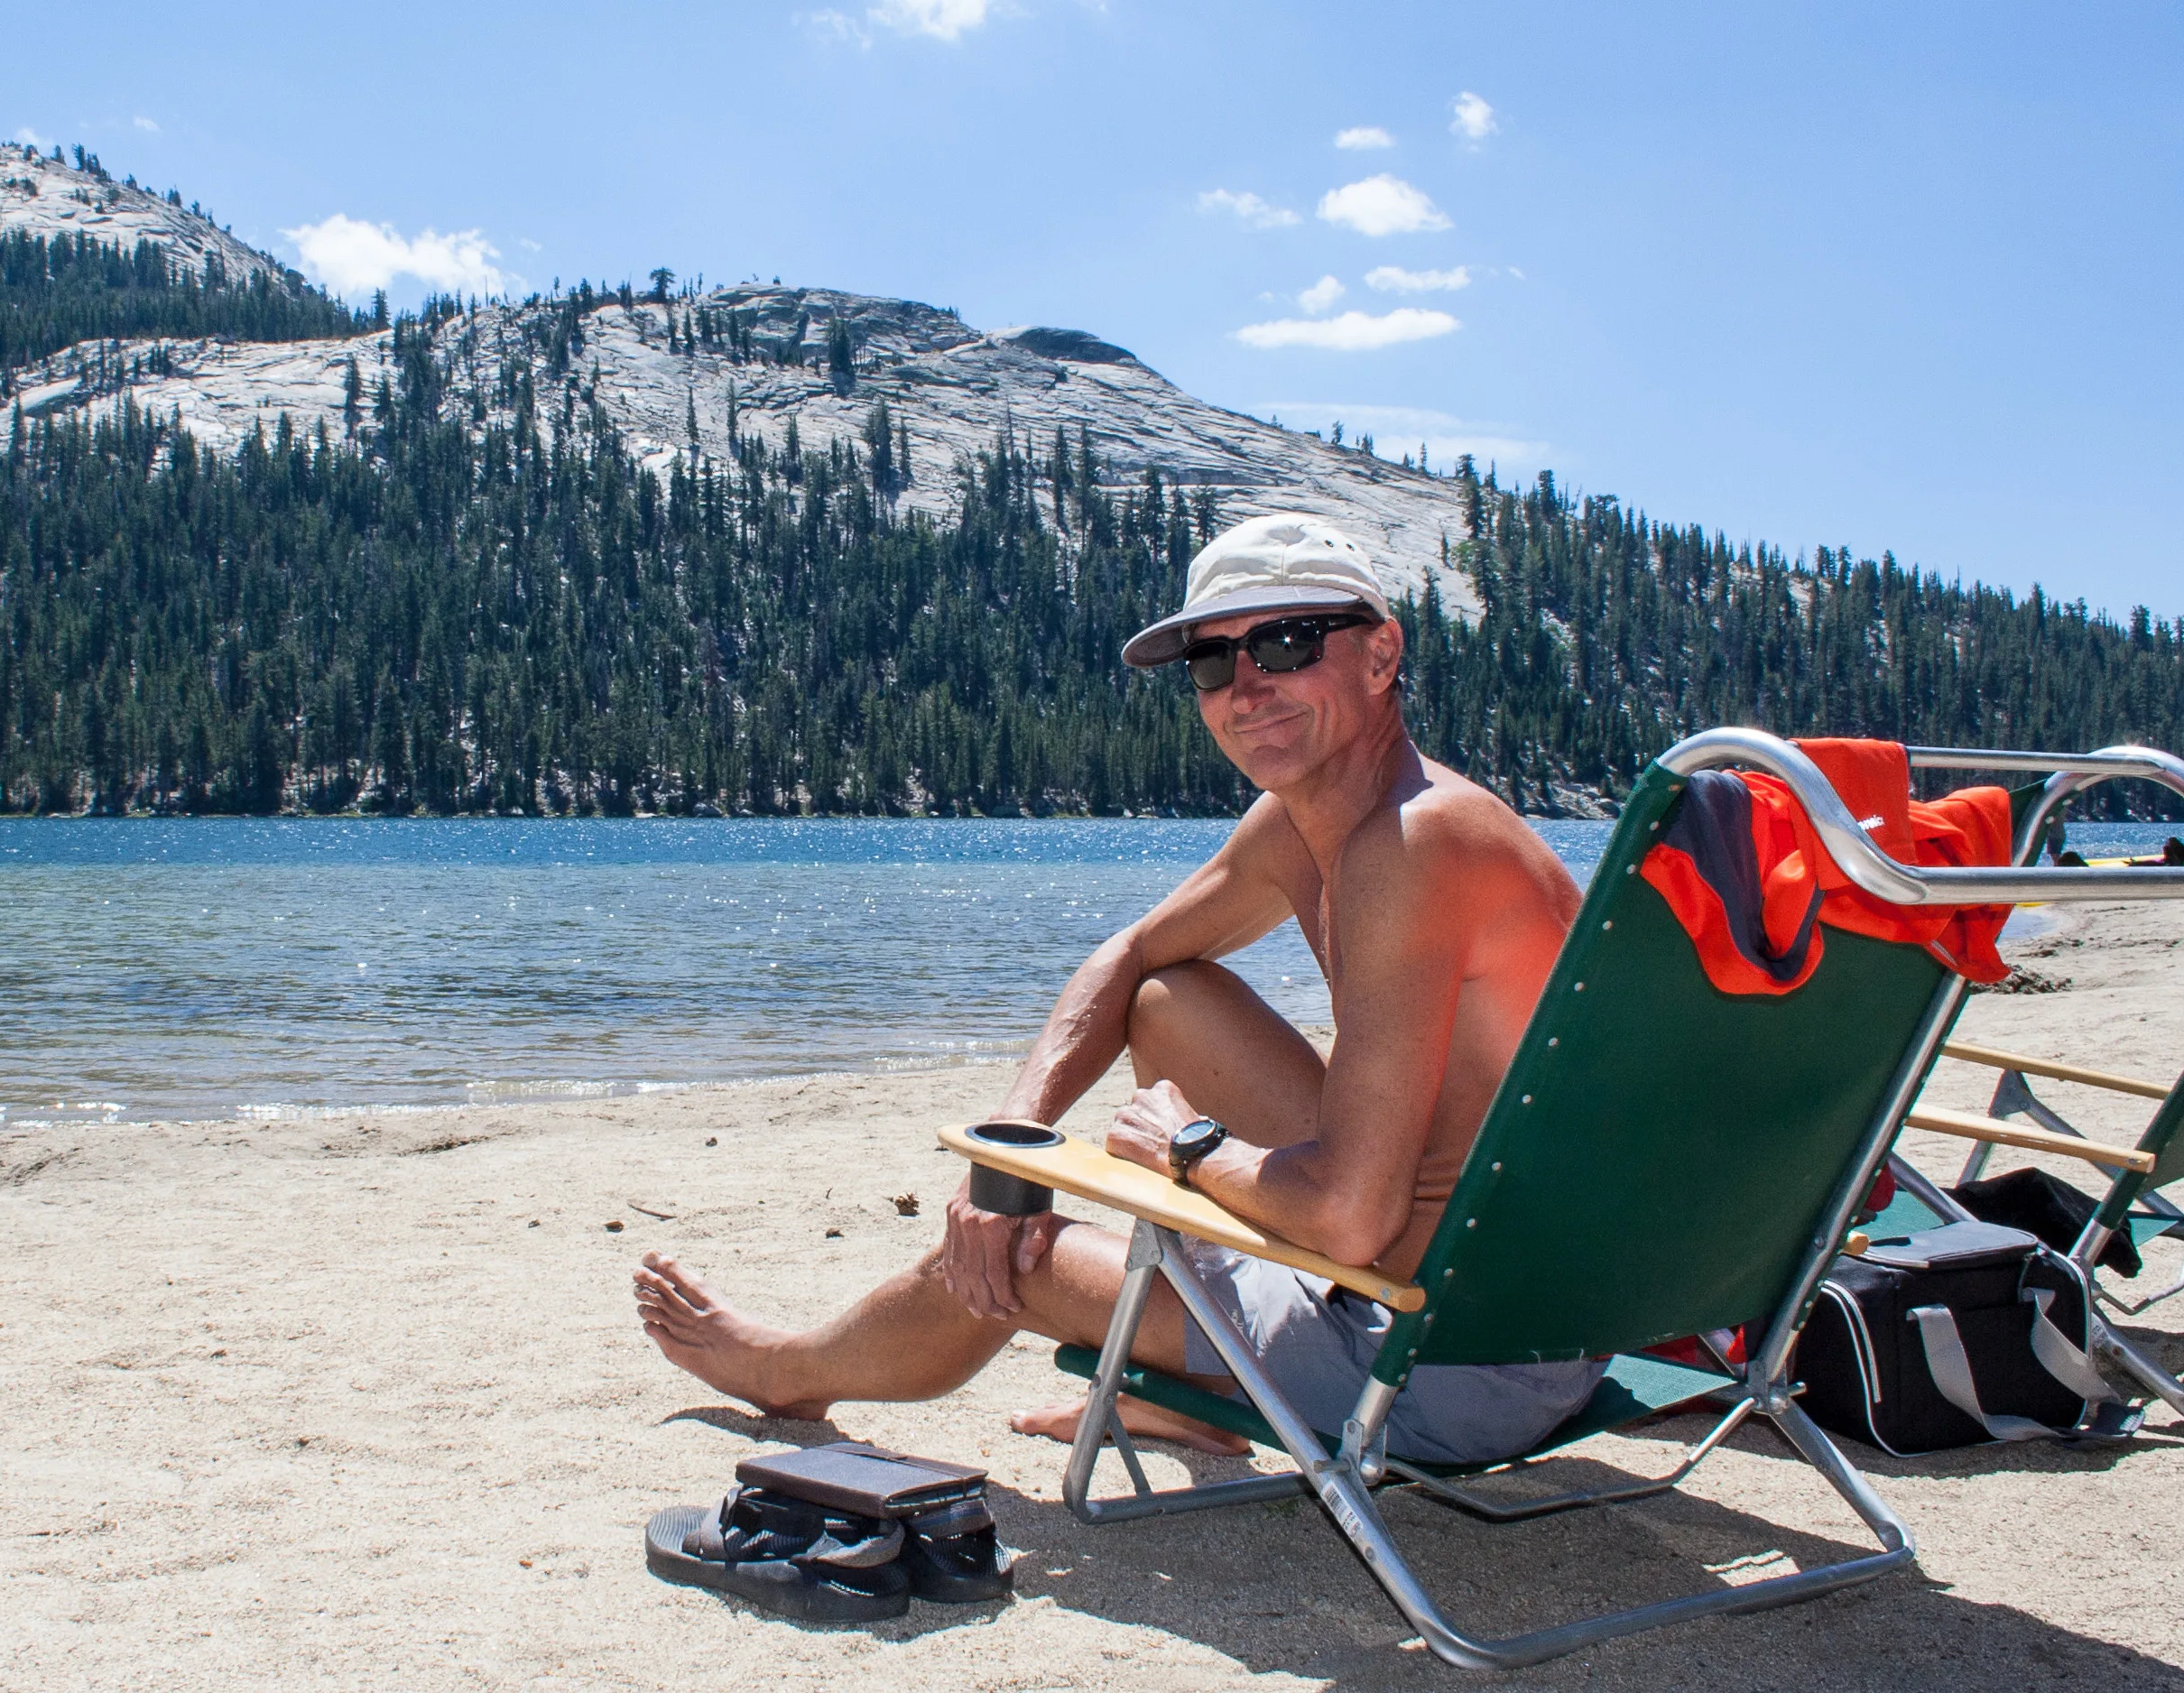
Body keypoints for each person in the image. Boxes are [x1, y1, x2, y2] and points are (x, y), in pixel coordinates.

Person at [634, 513, 1601, 1465]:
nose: (1248, 686)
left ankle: (786, 1370)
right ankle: (1209, 1396)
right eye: (1214, 664)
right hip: (1521, 1305)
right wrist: (1008, 1151)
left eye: (1289, 641)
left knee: (1021, 1257)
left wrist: (1184, 1148)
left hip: (1441, 1365)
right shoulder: (1330, 820)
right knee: (1170, 999)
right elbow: (1131, 954)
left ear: (1383, 653)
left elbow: (1352, 1217)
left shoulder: (1412, 844)